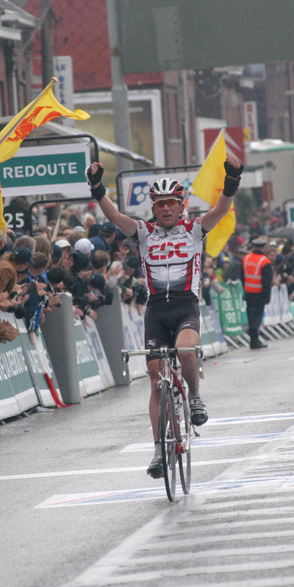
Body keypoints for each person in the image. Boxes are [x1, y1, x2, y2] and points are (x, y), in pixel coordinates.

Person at [86, 155, 243, 479]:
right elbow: (114, 216)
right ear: (154, 209)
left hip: (185, 307)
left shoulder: (194, 230)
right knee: (157, 383)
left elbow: (220, 210)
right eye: (160, 204)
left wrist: (231, 179)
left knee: (186, 352)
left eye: (171, 203)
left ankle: (196, 397)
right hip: (157, 312)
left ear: (181, 206)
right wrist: (98, 186)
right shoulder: (143, 232)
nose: (166, 209)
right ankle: (159, 451)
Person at [242, 237, 273, 349]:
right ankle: (254, 340)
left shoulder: (246, 258)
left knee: (250, 317)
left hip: (248, 292)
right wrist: (267, 296)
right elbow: (267, 281)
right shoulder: (265, 261)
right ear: (264, 247)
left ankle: (253, 340)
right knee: (256, 318)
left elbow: (242, 276)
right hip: (258, 294)